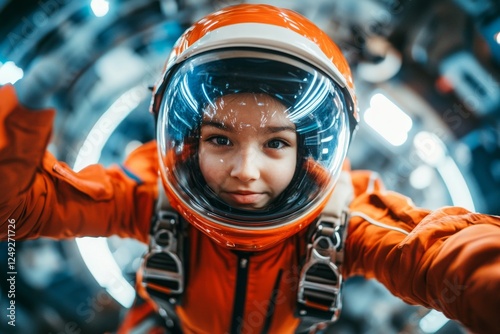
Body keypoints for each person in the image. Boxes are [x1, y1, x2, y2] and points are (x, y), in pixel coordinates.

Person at [1, 3, 499, 334]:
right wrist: (21, 108)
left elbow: (438, 254)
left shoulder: (346, 216)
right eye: (220, 139)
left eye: (275, 143)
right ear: (189, 142)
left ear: (309, 152)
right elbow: (17, 208)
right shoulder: (149, 194)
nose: (244, 170)